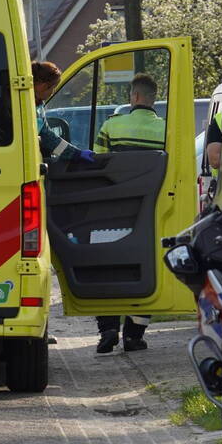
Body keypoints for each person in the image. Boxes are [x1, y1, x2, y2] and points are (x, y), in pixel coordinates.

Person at [91, 72, 166, 354]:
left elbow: (98, 166)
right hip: (149, 211)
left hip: (113, 209)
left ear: (134, 97)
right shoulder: (166, 130)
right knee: (144, 270)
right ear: (152, 98)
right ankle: (134, 335)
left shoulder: (112, 126)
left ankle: (108, 329)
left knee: (107, 269)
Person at [32, 60, 95, 164]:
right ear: (43, 85)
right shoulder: (19, 105)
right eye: (53, 88)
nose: (52, 93)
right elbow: (48, 138)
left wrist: (76, 154)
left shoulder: (39, 107)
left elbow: (48, 138)